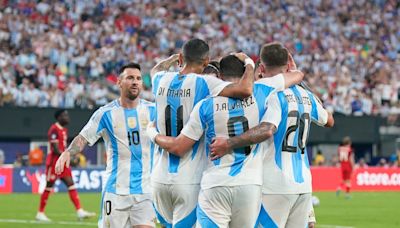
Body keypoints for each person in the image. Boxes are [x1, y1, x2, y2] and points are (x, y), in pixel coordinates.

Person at [148, 45, 304, 227]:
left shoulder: (205, 104)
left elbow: (179, 146)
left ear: (220, 76)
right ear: (248, 73)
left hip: (214, 183)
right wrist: (249, 62)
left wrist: (151, 132)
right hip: (250, 184)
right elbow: (297, 75)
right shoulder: (262, 90)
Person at [210, 43, 334, 228]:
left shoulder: (269, 93)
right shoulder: (307, 96)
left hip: (273, 185)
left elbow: (267, 128)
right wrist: (299, 78)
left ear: (261, 68)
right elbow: (329, 120)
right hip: (303, 185)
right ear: (288, 66)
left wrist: (228, 143)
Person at [149, 38, 254, 227]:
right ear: (206, 62)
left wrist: (172, 60)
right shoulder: (206, 83)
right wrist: (248, 62)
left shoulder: (161, 79)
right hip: (188, 179)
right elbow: (245, 89)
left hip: (158, 178)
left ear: (182, 57)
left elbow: (155, 69)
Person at [55, 63, 157, 228]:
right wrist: (68, 152)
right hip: (116, 192)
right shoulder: (105, 114)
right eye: (130, 78)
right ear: (119, 82)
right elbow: (83, 138)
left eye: (138, 78)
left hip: (146, 191)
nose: (135, 82)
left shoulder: (154, 111)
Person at [36, 109, 95, 222]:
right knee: (49, 185)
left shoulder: (63, 130)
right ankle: (40, 213)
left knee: (70, 184)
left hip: (63, 162)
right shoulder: (54, 129)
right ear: (58, 118)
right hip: (54, 162)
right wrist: (69, 157)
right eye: (65, 116)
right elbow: (55, 149)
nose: (67, 118)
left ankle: (79, 211)